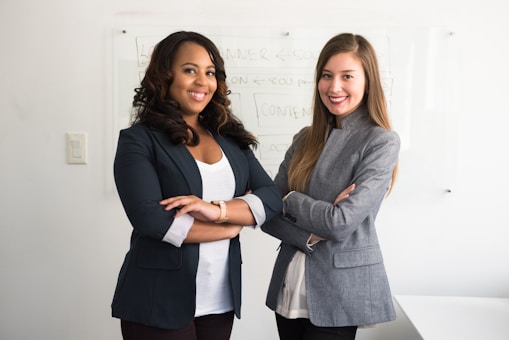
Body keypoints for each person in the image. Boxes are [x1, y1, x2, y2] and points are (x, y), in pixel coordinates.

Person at [111, 31, 282, 340]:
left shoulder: (231, 138)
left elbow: (271, 199)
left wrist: (216, 211)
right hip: (157, 300)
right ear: (165, 76)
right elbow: (151, 220)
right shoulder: (139, 140)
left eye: (210, 72)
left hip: (219, 300)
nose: (203, 81)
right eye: (190, 70)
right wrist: (229, 227)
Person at [261, 33, 400, 340]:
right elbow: (268, 213)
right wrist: (308, 233)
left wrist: (291, 199)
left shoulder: (380, 141)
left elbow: (340, 223)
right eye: (326, 76)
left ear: (368, 81)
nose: (334, 87)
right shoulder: (304, 138)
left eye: (347, 76)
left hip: (340, 292)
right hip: (290, 286)